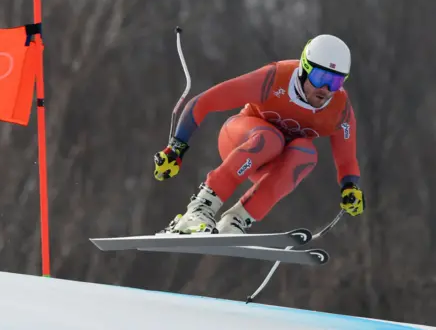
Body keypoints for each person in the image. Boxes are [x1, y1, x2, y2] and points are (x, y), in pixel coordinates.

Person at [153, 34, 364, 235]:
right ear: (304, 69)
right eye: (321, 78)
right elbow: (203, 102)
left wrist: (350, 188)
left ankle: (237, 219)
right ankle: (199, 209)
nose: (326, 89)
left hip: (273, 163)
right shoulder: (275, 78)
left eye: (336, 82)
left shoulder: (339, 109)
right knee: (270, 139)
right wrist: (176, 148)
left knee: (307, 155)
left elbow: (346, 159)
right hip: (241, 140)